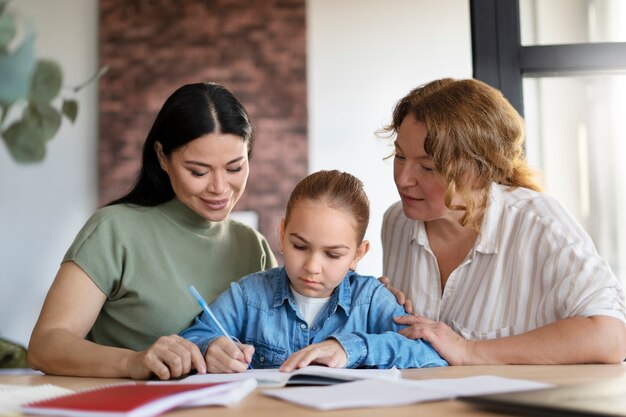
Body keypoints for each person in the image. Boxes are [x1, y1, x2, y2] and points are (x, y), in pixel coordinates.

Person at [28, 83, 277, 380]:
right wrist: (133, 362)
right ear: (162, 157)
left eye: (235, 168)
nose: (220, 188)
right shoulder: (114, 230)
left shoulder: (253, 247)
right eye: (198, 171)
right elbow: (45, 346)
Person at [379, 77, 626, 366]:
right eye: (399, 156)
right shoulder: (396, 221)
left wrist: (468, 350)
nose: (403, 179)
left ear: (480, 170)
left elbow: (611, 337)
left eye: (427, 167)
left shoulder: (541, 225)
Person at [180, 170, 447, 372]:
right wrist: (211, 347)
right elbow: (193, 338)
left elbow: (431, 356)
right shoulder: (247, 296)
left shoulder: (371, 299)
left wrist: (351, 347)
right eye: (299, 246)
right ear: (282, 233)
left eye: (332, 254)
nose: (312, 267)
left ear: (358, 254)